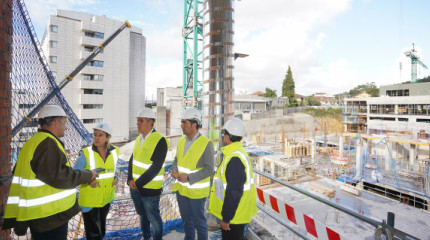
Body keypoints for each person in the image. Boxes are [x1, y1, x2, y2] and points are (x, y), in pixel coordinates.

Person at [3, 104, 98, 240]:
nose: (66, 127)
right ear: (55, 122)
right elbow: (61, 177)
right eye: (64, 123)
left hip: (40, 216)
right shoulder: (48, 144)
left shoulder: (33, 142)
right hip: (50, 217)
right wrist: (89, 175)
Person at [208, 118, 257, 240]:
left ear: (228, 136)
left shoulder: (234, 158)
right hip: (237, 215)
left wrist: (226, 218)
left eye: (224, 133)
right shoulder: (237, 153)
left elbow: (234, 192)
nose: (223, 136)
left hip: (234, 218)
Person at [172, 108, 214, 240]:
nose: (181, 125)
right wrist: (174, 169)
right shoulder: (182, 141)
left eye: (184, 122)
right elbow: (176, 159)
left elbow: (209, 169)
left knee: (199, 223)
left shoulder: (206, 144)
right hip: (182, 190)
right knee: (186, 222)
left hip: (196, 193)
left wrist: (189, 178)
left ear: (194, 124)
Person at [128, 107, 169, 240]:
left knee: (154, 218)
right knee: (142, 216)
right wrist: (129, 179)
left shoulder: (160, 140)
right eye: (138, 121)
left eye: (141, 121)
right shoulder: (139, 138)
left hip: (150, 189)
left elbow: (155, 167)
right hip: (135, 187)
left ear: (151, 122)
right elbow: (132, 159)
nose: (138, 123)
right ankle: (146, 237)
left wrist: (137, 183)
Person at [74, 122, 119, 240]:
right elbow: (74, 175)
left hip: (106, 199)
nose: (96, 138)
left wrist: (116, 177)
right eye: (95, 135)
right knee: (93, 235)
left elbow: (115, 168)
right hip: (90, 201)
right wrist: (88, 181)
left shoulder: (115, 151)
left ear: (107, 138)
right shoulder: (86, 153)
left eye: (100, 135)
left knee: (101, 232)